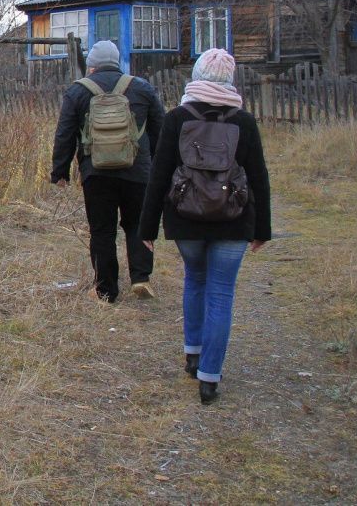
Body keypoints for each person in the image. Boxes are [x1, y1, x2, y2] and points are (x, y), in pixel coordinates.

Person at [139, 48, 271, 405]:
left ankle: (192, 354)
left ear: (195, 76)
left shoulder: (178, 117)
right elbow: (258, 177)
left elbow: (159, 174)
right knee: (221, 293)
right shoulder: (243, 122)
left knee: (195, 280)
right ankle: (209, 377)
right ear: (230, 79)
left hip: (186, 219)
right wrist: (263, 229)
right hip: (234, 219)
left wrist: (147, 228)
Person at [51, 40, 165, 302]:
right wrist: (156, 165)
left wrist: (60, 171)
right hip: (138, 172)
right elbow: (161, 129)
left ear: (91, 66)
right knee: (137, 224)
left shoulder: (78, 91)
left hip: (96, 173)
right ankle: (140, 278)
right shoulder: (141, 88)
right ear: (118, 62)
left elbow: (65, 134)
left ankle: (105, 289)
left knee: (102, 230)